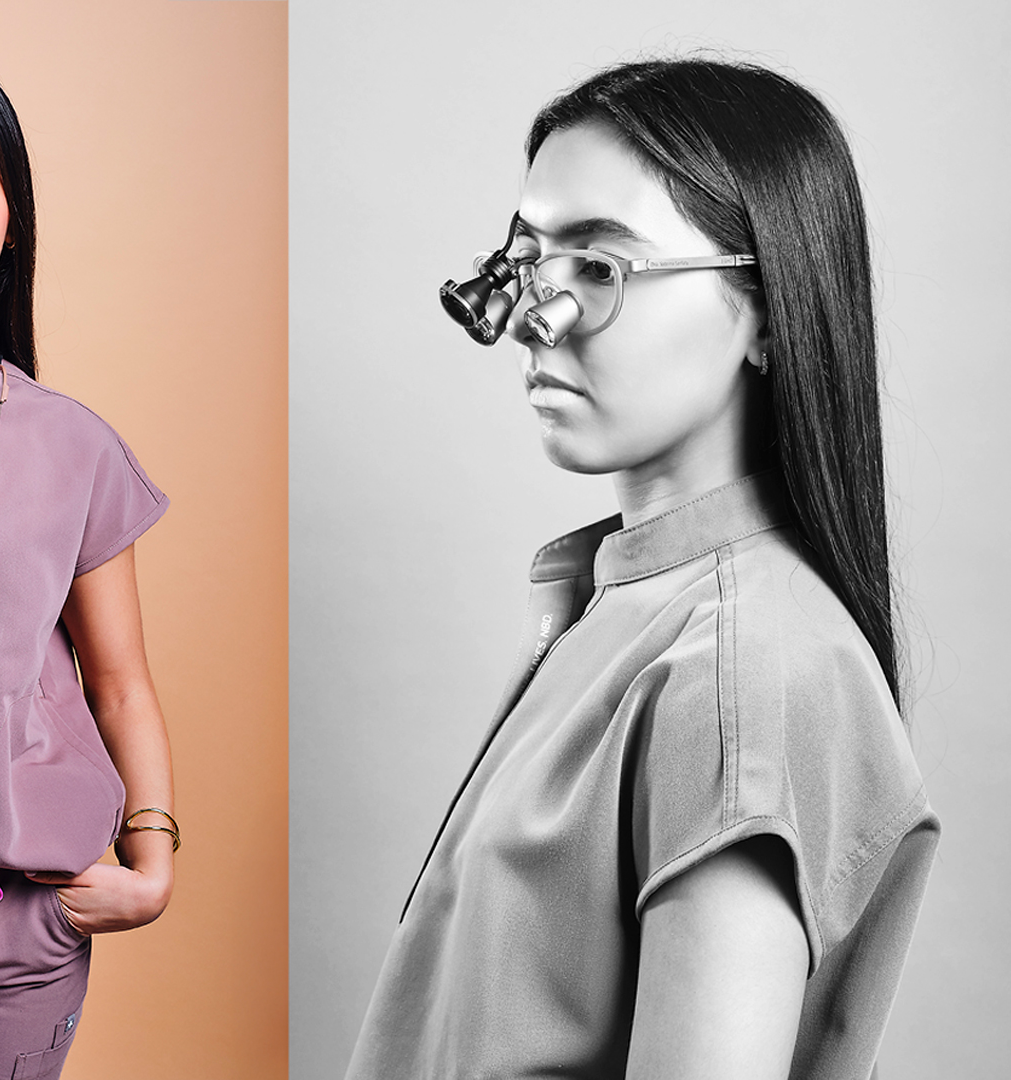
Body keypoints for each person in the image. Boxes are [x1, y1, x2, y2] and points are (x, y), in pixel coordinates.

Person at [347, 57, 939, 1079]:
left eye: (601, 267)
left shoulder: (741, 673)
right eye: (531, 257)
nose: (537, 313)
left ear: (765, 311)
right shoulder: (630, 606)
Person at [0, 55, 176, 1079]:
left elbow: (117, 680)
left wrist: (151, 866)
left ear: (11, 215)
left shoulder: (72, 446)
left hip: (13, 931)